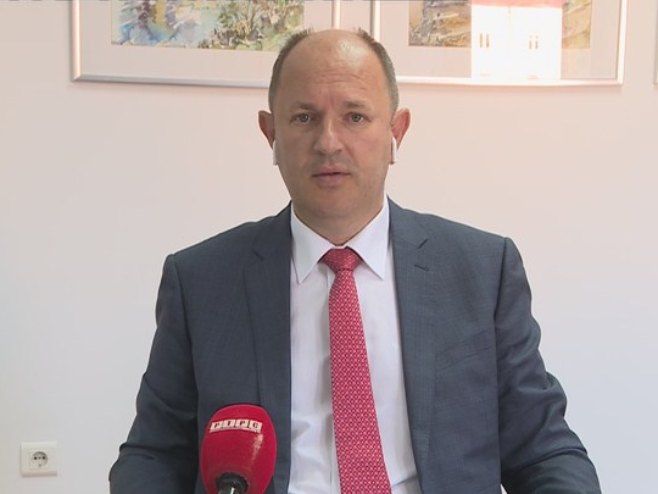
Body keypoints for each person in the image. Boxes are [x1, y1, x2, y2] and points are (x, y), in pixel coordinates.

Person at [109, 29, 600, 494]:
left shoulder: (481, 270)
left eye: (355, 117)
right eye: (304, 118)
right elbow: (153, 455)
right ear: (270, 133)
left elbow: (543, 449)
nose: (329, 142)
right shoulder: (202, 281)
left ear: (396, 132)